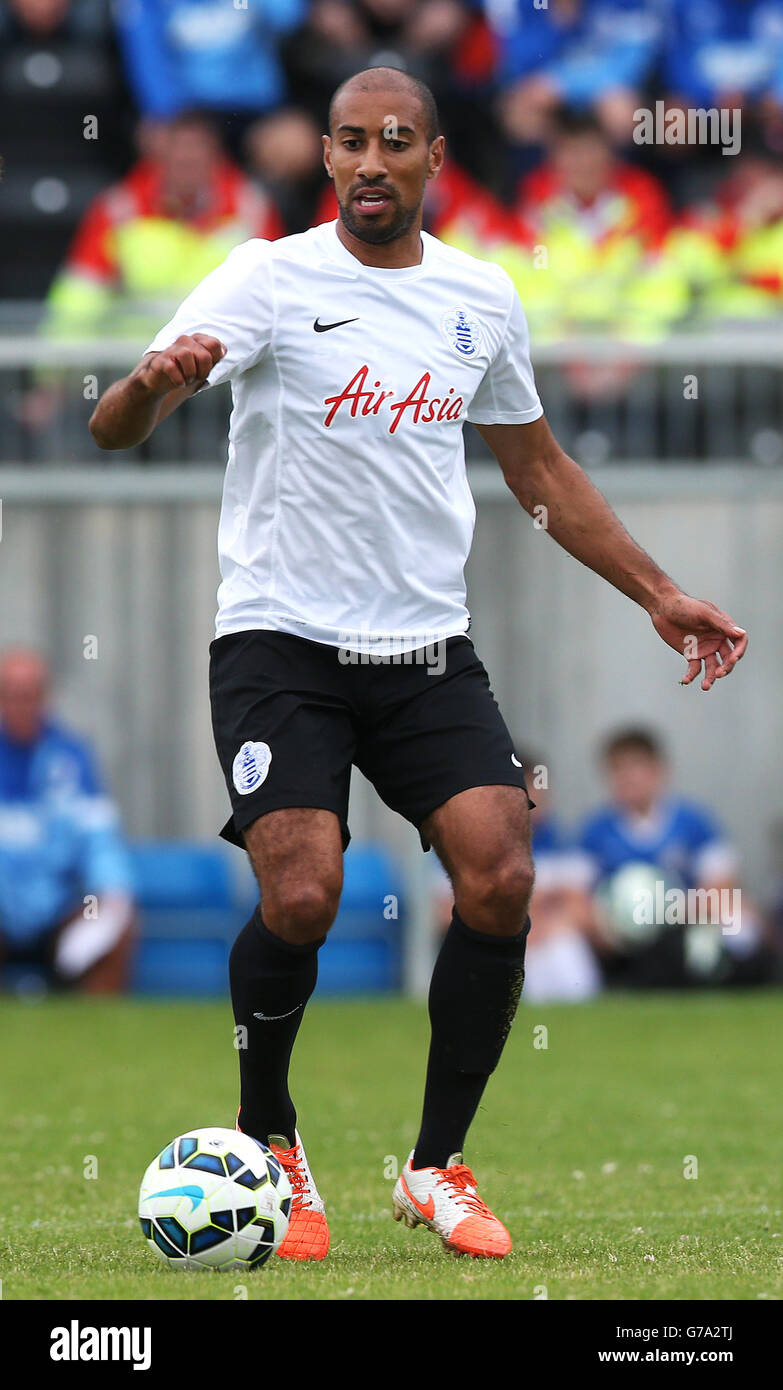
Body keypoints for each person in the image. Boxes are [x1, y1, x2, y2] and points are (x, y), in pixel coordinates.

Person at [88, 66, 747, 1262]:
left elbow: (538, 470)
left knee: (499, 872)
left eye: (398, 142)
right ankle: (270, 1144)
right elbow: (112, 426)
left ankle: (436, 1165)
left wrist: (660, 592)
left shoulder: (480, 298)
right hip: (279, 640)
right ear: (327, 159)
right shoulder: (266, 276)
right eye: (350, 142)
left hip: (424, 648)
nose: (372, 162)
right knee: (303, 893)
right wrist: (150, 386)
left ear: (437, 158)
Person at [580, 727, 768, 988]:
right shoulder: (595, 831)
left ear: (658, 771)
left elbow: (722, 883)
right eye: (618, 770)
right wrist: (611, 921)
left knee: (740, 916)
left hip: (685, 920)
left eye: (635, 768)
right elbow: (575, 896)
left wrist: (666, 909)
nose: (628, 778)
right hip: (618, 934)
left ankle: (736, 980)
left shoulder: (694, 821)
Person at [0, 648, 135, 993]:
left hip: (58, 910)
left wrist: (111, 892)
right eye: (12, 695)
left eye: (30, 695)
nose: (21, 705)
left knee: (118, 925)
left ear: (45, 698)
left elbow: (101, 841)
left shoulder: (72, 757)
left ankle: (96, 1037)